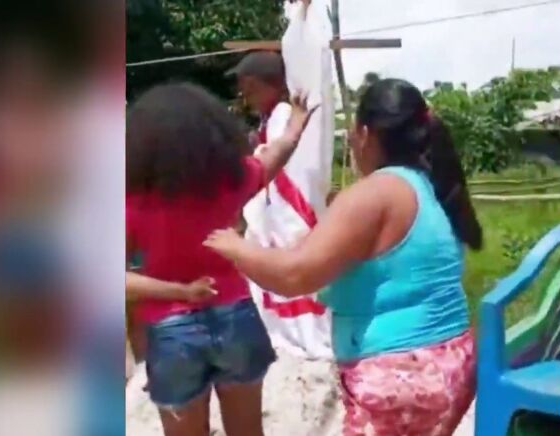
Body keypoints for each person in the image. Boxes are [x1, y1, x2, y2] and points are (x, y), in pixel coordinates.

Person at [205, 78, 482, 436]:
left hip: (402, 374)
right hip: (450, 362)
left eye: (351, 133)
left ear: (365, 134)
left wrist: (234, 246)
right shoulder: (426, 185)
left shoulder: (374, 194)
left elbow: (293, 277)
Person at [126, 82, 315, 436]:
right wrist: (295, 125)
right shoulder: (229, 182)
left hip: (171, 330)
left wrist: (180, 293)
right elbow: (272, 158)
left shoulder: (132, 202)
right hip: (235, 316)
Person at [230, 50, 333, 358]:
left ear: (261, 84)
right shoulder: (272, 119)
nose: (245, 97)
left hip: (289, 208)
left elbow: (283, 164)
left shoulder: (284, 115)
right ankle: (285, 334)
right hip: (274, 207)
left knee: (292, 273)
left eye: (248, 89)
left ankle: (303, 337)